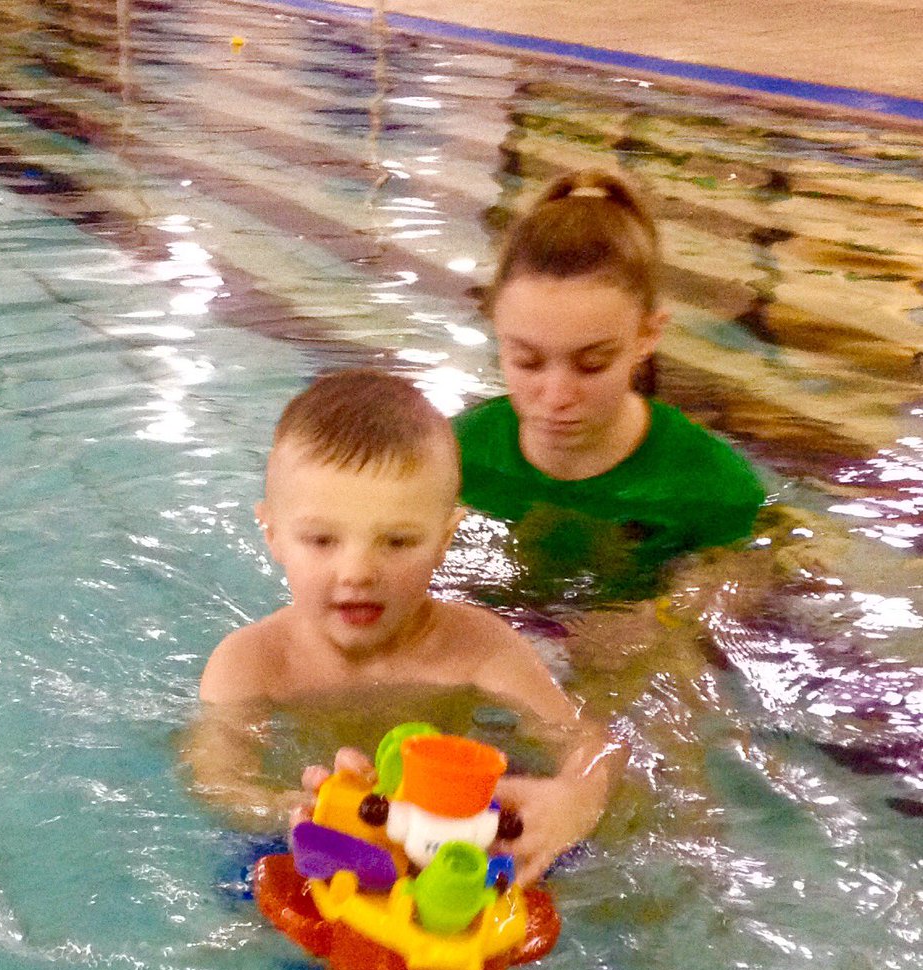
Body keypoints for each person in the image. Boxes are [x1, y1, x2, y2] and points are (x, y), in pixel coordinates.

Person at [188, 367, 625, 885]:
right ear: (273, 533)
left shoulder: (477, 647)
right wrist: (312, 806)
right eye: (322, 541)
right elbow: (218, 781)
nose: (357, 573)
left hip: (451, 829)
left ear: (445, 538)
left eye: (397, 542)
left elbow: (591, 742)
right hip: (316, 833)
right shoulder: (252, 662)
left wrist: (575, 800)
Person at [453, 168, 766, 605]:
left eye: (592, 365)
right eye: (527, 361)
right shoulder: (453, 455)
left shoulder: (713, 490)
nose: (557, 397)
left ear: (647, 336)